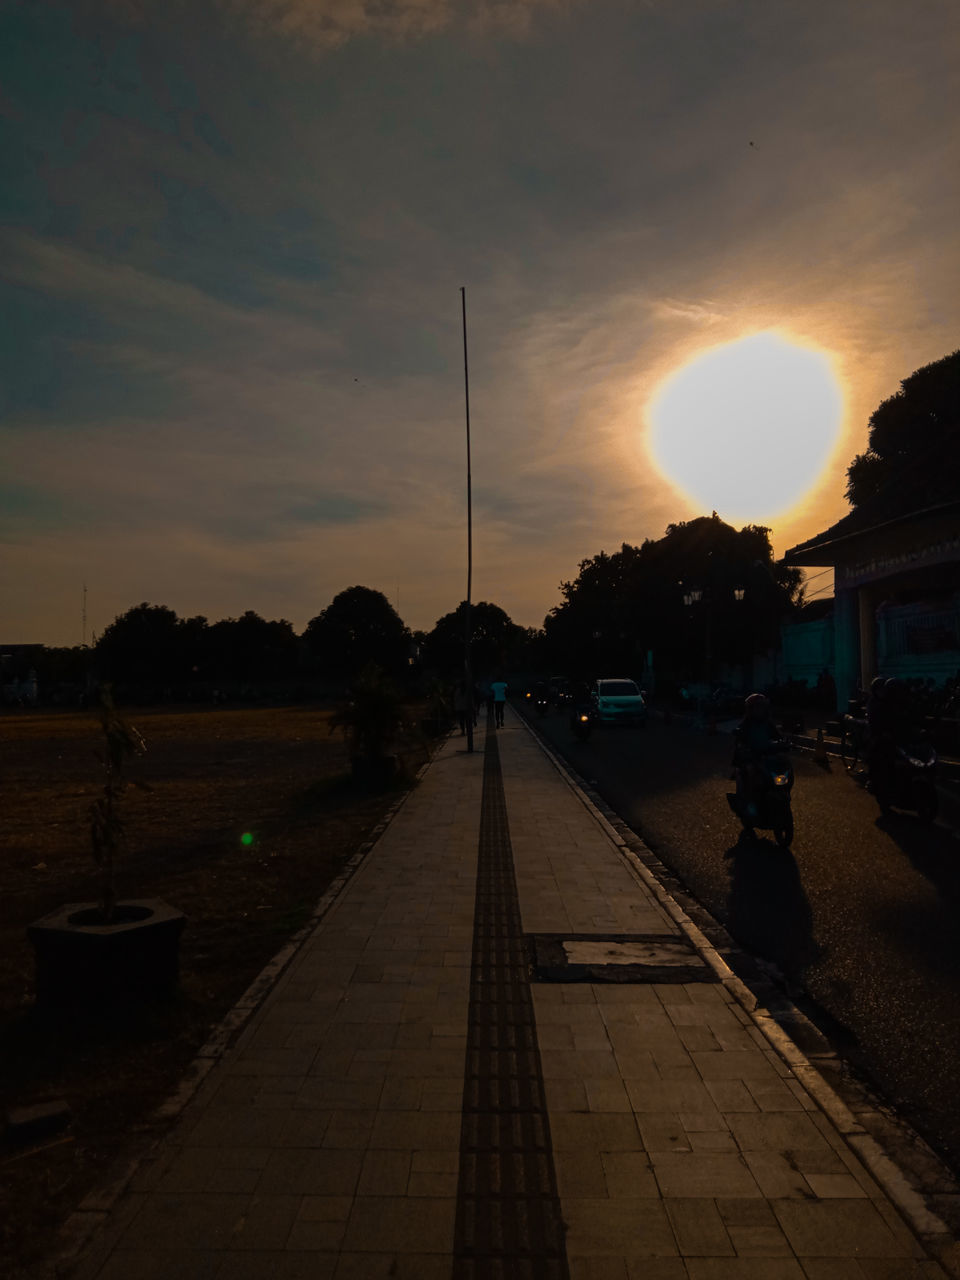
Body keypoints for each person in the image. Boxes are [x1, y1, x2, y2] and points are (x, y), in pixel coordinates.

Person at [732, 693, 784, 812]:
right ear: (751, 709)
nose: (760, 710)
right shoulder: (745, 725)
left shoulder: (768, 723)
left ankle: (782, 793)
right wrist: (743, 748)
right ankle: (750, 803)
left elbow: (778, 737)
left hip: (766, 757)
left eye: (762, 707)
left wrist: (784, 743)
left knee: (782, 765)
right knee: (751, 772)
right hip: (750, 758)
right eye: (757, 707)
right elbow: (739, 742)